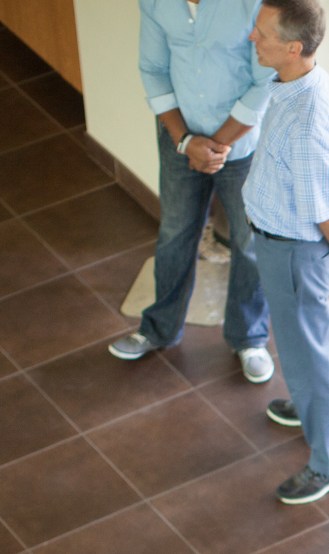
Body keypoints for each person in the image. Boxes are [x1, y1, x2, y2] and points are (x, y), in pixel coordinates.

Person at [242, 0, 329, 505]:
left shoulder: (306, 119)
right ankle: (309, 402)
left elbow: (323, 205)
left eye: (262, 33)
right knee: (301, 345)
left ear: (293, 48)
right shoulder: (305, 81)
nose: (253, 38)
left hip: (293, 251)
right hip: (285, 243)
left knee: (306, 350)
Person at [111, 0, 276, 384]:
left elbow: (264, 79)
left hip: (240, 146)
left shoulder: (250, 4)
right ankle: (157, 330)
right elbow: (153, 69)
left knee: (249, 241)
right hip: (179, 140)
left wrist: (215, 145)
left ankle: (249, 339)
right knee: (174, 234)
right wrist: (185, 141)